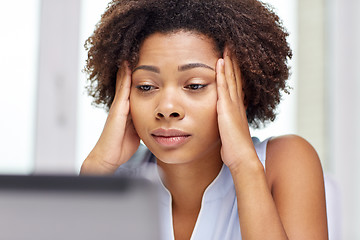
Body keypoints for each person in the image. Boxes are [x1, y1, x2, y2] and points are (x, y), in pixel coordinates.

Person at [80, 0, 328, 239]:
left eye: (195, 85)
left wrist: (244, 165)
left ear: (242, 90)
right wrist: (97, 167)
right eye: (145, 87)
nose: (167, 108)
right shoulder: (113, 182)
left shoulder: (286, 161)